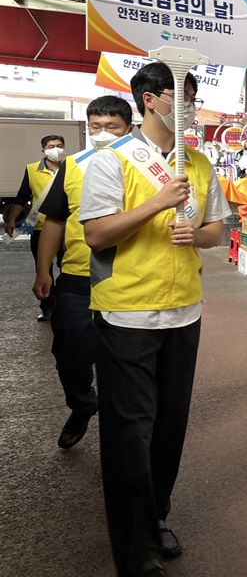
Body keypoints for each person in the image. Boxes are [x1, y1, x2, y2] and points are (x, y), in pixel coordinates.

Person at [79, 61, 230, 577]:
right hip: (126, 313)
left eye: (192, 97)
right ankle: (135, 548)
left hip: (184, 311)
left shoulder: (202, 163)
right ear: (150, 99)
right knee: (129, 433)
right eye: (178, 97)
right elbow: (97, 235)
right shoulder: (110, 160)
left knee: (169, 427)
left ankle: (156, 517)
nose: (186, 107)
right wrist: (158, 203)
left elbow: (218, 233)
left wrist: (197, 234)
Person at [31, 96, 134, 450]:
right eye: (95, 127)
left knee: (123, 359)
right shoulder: (72, 165)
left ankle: (123, 427)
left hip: (127, 276)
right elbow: (55, 221)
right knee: (70, 354)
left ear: (129, 128)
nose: (102, 133)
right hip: (77, 276)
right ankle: (82, 404)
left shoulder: (140, 166)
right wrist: (43, 270)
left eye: (112, 127)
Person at [6, 133, 66, 321]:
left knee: (67, 268)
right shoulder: (32, 170)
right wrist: (11, 220)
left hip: (68, 228)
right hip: (41, 228)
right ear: (43, 150)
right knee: (43, 269)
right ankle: (48, 307)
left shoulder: (71, 167)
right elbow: (22, 197)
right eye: (51, 146)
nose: (56, 149)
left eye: (59, 145)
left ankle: (66, 306)